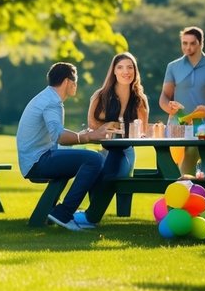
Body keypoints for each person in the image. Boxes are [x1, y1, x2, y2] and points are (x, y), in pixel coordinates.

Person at [16, 62, 112, 231]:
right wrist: (89, 136)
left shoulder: (48, 97)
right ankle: (64, 213)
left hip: (38, 158)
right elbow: (59, 136)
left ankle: (87, 215)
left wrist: (83, 135)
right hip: (38, 161)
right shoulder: (52, 102)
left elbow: (58, 134)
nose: (76, 85)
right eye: (75, 81)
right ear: (68, 81)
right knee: (94, 159)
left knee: (94, 156)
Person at [159, 26, 205, 176]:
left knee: (194, 154)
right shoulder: (173, 67)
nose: (187, 47)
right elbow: (164, 96)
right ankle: (181, 189)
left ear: (201, 43)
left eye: (192, 43)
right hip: (178, 124)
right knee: (170, 162)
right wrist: (168, 107)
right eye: (184, 43)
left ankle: (188, 188)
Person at [87, 52, 151, 181]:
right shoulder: (100, 96)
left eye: (130, 67)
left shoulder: (140, 99)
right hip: (101, 149)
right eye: (120, 67)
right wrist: (108, 125)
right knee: (100, 189)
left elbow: (142, 130)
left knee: (124, 188)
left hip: (127, 150)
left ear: (135, 70)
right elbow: (91, 124)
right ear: (114, 71)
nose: (126, 71)